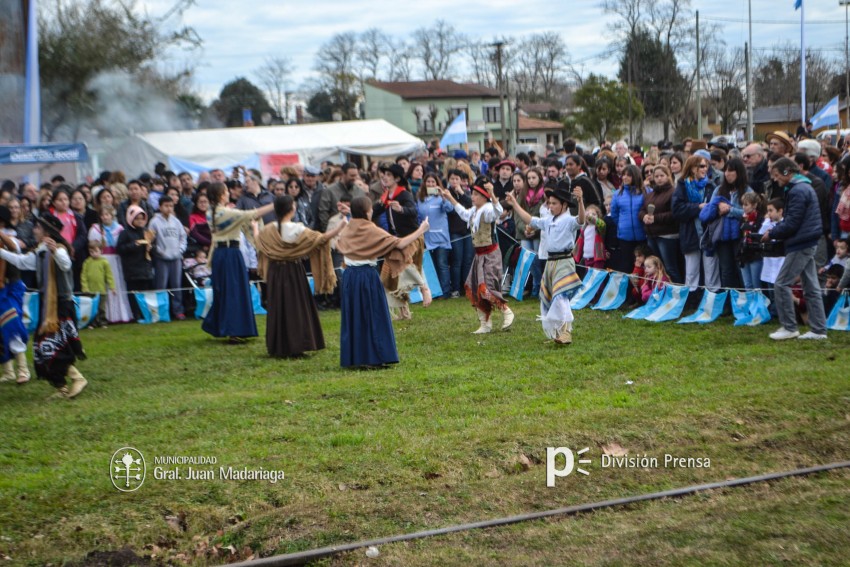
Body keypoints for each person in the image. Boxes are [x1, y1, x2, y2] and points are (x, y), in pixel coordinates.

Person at [335, 196, 429, 369]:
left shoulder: (349, 227)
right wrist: (421, 230)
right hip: (366, 276)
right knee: (373, 315)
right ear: (366, 212)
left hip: (349, 276)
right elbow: (399, 243)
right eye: (370, 209)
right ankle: (375, 357)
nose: (372, 212)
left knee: (355, 316)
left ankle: (355, 358)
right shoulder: (369, 228)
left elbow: (338, 243)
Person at [0, 214, 86, 398]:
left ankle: (77, 378)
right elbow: (22, 261)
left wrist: (55, 252)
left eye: (37, 227)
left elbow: (66, 265)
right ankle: (61, 387)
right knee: (43, 346)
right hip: (48, 305)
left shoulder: (59, 248)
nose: (34, 230)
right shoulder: (40, 251)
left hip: (61, 305)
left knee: (53, 345)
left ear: (46, 231)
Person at [254, 195, 346, 358]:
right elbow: (321, 238)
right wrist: (339, 228)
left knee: (279, 307)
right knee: (296, 307)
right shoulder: (297, 228)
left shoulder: (269, 229)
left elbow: (258, 242)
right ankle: (298, 345)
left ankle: (279, 346)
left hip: (275, 272)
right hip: (293, 271)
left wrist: (255, 228)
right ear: (292, 209)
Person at [507, 181, 585, 344]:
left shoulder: (569, 220)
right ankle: (558, 333)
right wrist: (515, 204)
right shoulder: (548, 220)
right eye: (549, 203)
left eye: (554, 203)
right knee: (548, 298)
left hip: (564, 261)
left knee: (560, 296)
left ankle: (565, 332)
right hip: (551, 262)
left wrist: (580, 201)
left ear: (564, 205)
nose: (550, 206)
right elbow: (530, 219)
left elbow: (581, 219)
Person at [760, 158, 828, 340]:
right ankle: (819, 330)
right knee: (811, 287)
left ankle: (790, 327)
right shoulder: (803, 187)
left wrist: (773, 232)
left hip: (801, 243)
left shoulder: (798, 190)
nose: (775, 180)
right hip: (808, 241)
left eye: (776, 175)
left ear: (786, 172)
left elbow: (792, 222)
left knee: (781, 283)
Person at [201, 182, 274, 343]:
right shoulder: (223, 212)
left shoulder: (211, 212)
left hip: (222, 254)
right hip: (230, 254)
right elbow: (250, 215)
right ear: (221, 195)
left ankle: (225, 326)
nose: (228, 193)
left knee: (225, 291)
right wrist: (274, 205)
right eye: (226, 191)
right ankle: (234, 330)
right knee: (234, 291)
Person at [440, 177, 515, 334]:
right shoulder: (474, 211)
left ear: (484, 197)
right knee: (475, 288)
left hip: (491, 254)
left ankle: (506, 311)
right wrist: (450, 197)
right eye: (472, 194)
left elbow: (498, 211)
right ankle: (485, 323)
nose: (472, 197)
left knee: (485, 287)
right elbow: (463, 212)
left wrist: (492, 194)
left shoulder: (487, 210)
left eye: (475, 194)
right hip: (479, 255)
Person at [87, 206, 133, 323]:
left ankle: (119, 314)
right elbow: (93, 245)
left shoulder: (119, 229)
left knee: (116, 283)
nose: (105, 217)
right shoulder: (95, 229)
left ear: (112, 215)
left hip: (115, 258)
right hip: (102, 258)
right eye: (102, 215)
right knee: (104, 285)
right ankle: (104, 315)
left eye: (107, 215)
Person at [0, 207, 30, 384]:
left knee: (12, 324)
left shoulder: (11, 235)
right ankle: (9, 370)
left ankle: (23, 369)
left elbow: (14, 248)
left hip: (12, 287)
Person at [641, 165, 682, 284]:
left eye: (662, 176)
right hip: (652, 235)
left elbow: (674, 213)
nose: (659, 179)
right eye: (656, 176)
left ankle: (678, 294)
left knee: (670, 268)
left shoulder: (673, 192)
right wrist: (644, 216)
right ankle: (662, 293)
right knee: (657, 269)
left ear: (668, 176)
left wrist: (655, 218)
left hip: (667, 236)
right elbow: (642, 209)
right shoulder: (651, 194)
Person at [149, 195, 188, 320]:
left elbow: (183, 237)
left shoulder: (176, 221)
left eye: (171, 206)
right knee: (161, 285)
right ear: (160, 207)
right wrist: (160, 251)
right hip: (161, 258)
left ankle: (178, 310)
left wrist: (180, 250)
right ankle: (161, 311)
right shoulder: (154, 222)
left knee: (177, 284)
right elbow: (150, 240)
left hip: (176, 257)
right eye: (166, 206)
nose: (169, 208)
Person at [416, 173, 453, 296]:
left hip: (441, 238)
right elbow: (418, 215)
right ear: (424, 184)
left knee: (442, 264)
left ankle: (445, 291)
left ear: (437, 184)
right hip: (427, 238)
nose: (431, 184)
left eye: (433, 182)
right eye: (428, 182)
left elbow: (450, 209)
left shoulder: (440, 198)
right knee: (432, 266)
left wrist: (443, 197)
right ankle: (435, 291)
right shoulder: (420, 199)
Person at [117, 206, 155, 322]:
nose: (139, 221)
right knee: (133, 293)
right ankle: (136, 314)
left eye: (142, 219)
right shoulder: (125, 233)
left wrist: (150, 247)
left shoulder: (146, 232)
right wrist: (133, 245)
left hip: (145, 268)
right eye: (136, 218)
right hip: (131, 269)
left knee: (145, 292)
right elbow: (120, 248)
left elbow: (151, 250)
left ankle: (145, 313)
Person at [609, 165, 648, 274]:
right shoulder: (617, 194)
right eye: (623, 175)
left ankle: (642, 290)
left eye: (628, 175)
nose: (625, 177)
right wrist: (622, 225)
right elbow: (614, 214)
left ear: (635, 176)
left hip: (642, 235)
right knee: (627, 265)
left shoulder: (645, 192)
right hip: (624, 237)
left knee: (643, 265)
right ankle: (628, 290)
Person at [80, 241, 115, 328]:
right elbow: (83, 276)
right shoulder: (87, 262)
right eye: (91, 252)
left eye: (96, 251)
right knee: (92, 308)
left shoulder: (104, 262)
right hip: (90, 291)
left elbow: (109, 275)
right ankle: (93, 323)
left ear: (101, 251)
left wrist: (112, 287)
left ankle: (102, 322)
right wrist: (85, 287)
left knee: (101, 308)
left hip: (102, 290)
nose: (94, 254)